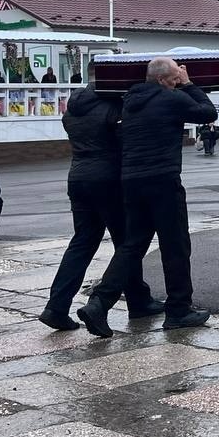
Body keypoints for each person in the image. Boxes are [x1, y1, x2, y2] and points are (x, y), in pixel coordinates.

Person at [78, 57, 217, 337]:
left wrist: (178, 81)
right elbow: (207, 113)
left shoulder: (130, 102)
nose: (178, 81)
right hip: (163, 180)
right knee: (175, 243)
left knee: (132, 245)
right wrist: (190, 84)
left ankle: (99, 303)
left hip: (131, 181)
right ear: (164, 80)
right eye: (176, 77)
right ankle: (179, 309)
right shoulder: (172, 98)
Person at [41, 82, 164, 331]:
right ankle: (135, 301)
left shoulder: (72, 110)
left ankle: (56, 306)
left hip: (78, 176)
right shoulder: (112, 108)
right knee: (127, 242)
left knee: (82, 242)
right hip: (108, 178)